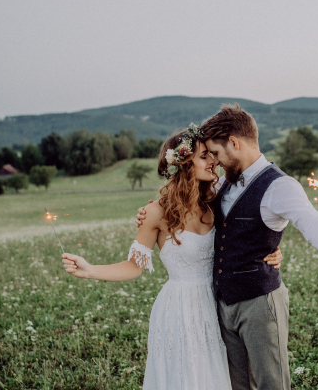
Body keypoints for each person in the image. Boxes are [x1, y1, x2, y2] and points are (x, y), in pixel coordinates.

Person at [136, 104, 318, 390]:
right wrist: (150, 213)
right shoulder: (223, 185)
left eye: (216, 154)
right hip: (220, 304)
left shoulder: (280, 186)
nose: (215, 163)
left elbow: (309, 219)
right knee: (236, 385)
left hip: (260, 302)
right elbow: (194, 206)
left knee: (271, 383)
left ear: (234, 143)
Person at [61, 123, 284, 390]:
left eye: (211, 155)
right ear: (183, 163)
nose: (213, 160)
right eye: (204, 156)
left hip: (216, 306)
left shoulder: (216, 202)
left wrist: (271, 251)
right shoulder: (156, 212)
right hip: (178, 309)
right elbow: (134, 267)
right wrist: (90, 270)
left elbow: (242, 238)